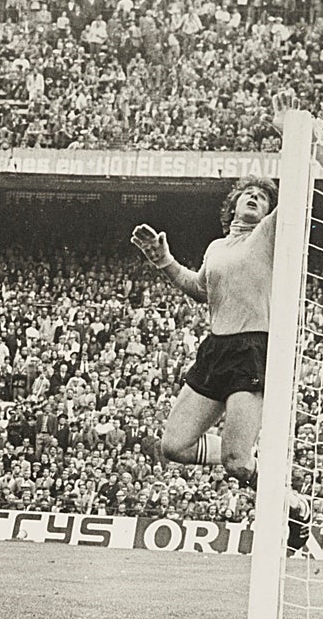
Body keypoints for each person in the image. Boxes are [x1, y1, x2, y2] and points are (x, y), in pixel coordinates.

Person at [130, 95, 304, 515]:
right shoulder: (216, 247)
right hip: (215, 349)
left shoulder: (265, 236)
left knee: (236, 463)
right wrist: (165, 262)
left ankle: (293, 505)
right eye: (247, 194)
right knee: (174, 445)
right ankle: (280, 490)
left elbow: (297, 184)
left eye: (261, 197)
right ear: (231, 207)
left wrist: (287, 133)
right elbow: (203, 289)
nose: (253, 199)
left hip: (251, 349)